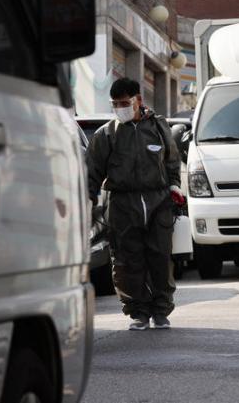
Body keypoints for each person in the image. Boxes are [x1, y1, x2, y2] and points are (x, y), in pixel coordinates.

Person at [87, 78, 184, 331]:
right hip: (122, 203)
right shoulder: (106, 134)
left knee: (160, 257)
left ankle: (161, 311)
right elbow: (92, 172)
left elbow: (172, 161)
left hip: (158, 201)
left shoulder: (159, 127)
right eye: (115, 104)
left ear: (138, 100)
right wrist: (87, 199)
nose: (120, 108)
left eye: (125, 103)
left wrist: (174, 186)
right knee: (127, 259)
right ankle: (138, 312)